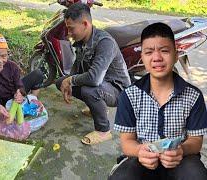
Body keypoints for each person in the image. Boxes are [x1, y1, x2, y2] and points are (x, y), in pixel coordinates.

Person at [109, 23, 207, 180]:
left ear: (176, 55)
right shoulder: (129, 96)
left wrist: (181, 149)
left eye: (164, 51)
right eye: (149, 52)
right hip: (141, 159)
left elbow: (195, 141)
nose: (157, 58)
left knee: (197, 175)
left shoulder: (193, 96)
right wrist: (140, 151)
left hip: (180, 159)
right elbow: (127, 142)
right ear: (142, 58)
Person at [55, 3, 131, 145]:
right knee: (60, 82)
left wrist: (71, 80)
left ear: (85, 24)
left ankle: (103, 131)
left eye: (71, 29)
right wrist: (68, 81)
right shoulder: (81, 40)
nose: (68, 34)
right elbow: (77, 68)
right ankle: (96, 108)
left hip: (119, 91)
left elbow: (95, 79)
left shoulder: (105, 42)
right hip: (102, 86)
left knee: (90, 90)